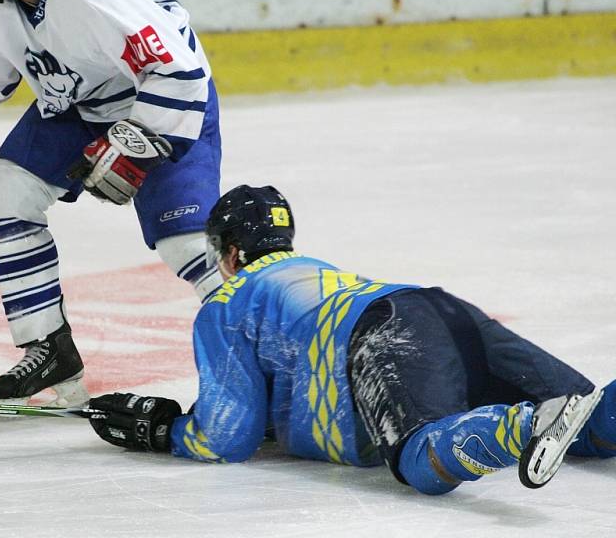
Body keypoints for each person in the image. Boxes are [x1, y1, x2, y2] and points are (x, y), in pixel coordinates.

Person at [87, 184, 616, 495]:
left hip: (382, 335)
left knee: (420, 457)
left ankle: (524, 425)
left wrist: (163, 432)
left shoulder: (227, 303)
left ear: (228, 252)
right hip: (436, 307)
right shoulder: (313, 272)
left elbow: (227, 437)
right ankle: (557, 414)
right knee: (585, 415)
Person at [0, 0, 224, 407]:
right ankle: (48, 347)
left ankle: (265, 360)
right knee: (5, 195)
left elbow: (180, 73)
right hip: (80, 105)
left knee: (187, 245)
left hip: (161, 103)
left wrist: (139, 142)